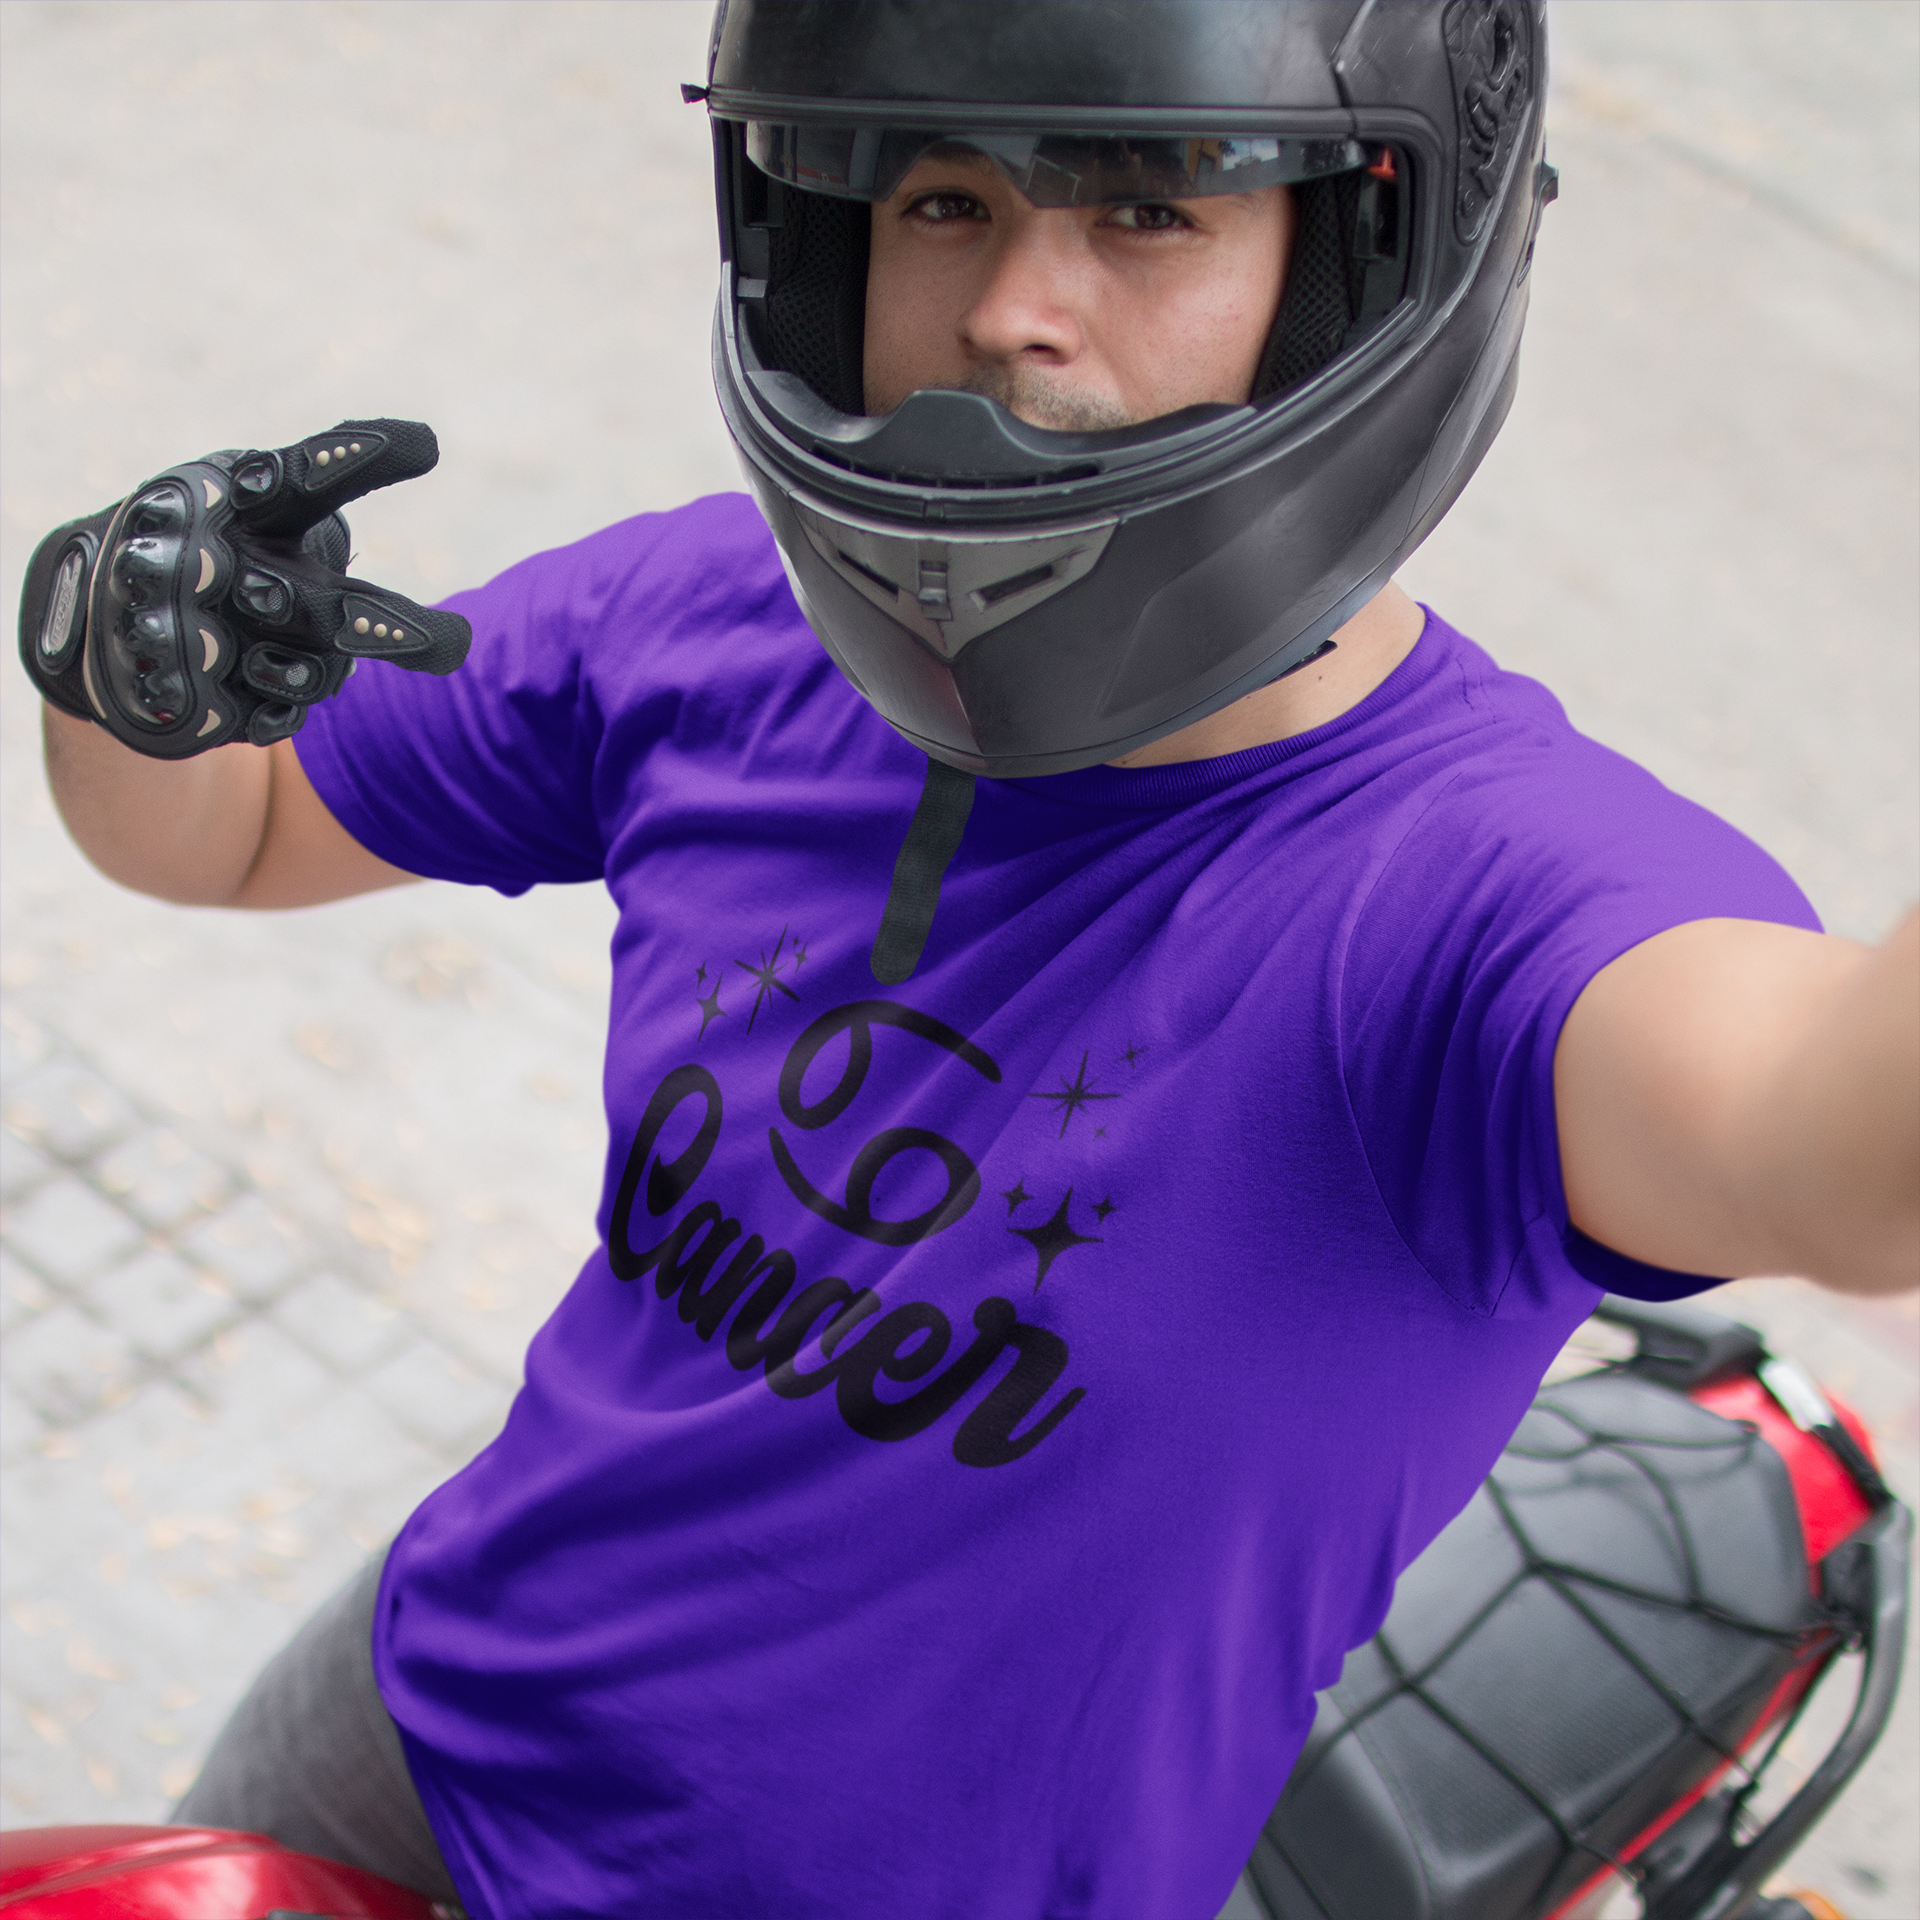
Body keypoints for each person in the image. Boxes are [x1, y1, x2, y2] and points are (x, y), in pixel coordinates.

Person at [17, 3, 1917, 1916]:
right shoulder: (715, 630)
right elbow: (237, 830)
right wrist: (124, 678)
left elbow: (1845, 1158)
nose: (1010, 310)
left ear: (1365, 268)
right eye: (941, 200)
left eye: (1152, 208)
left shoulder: (1483, 901)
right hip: (428, 1718)